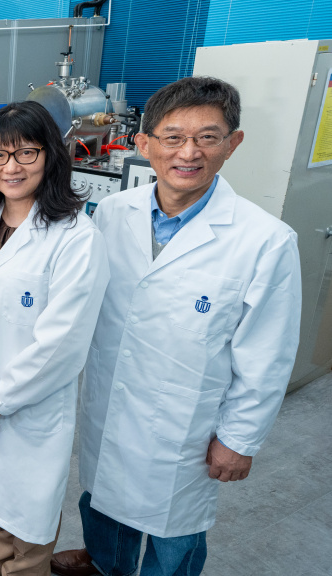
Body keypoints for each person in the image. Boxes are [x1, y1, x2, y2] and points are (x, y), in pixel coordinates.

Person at [51, 76, 302, 576]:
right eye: (172, 136)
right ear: (144, 144)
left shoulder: (266, 241)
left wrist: (239, 439)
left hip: (186, 420)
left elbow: (267, 355)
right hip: (111, 397)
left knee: (174, 533)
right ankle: (104, 563)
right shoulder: (114, 213)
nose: (188, 152)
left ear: (233, 143)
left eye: (208, 137)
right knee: (100, 496)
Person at [0, 101, 110, 576]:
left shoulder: (76, 237)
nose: (10, 167)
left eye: (26, 154)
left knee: (30, 523)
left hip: (29, 406)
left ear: (50, 156)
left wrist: (0, 399)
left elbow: (63, 343)